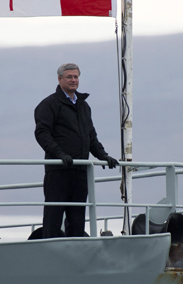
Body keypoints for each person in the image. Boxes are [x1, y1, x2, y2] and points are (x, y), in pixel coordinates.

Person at [34, 63, 119, 238]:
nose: (73, 80)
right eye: (69, 77)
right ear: (60, 79)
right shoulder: (49, 104)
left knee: (77, 215)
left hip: (80, 169)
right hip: (58, 169)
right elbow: (42, 133)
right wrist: (59, 154)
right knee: (54, 214)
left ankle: (75, 249)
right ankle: (49, 249)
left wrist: (103, 155)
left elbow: (91, 136)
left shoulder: (83, 106)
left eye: (76, 77)